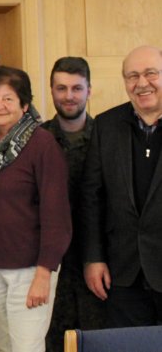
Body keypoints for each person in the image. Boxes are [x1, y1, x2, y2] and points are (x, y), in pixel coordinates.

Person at [0, 66, 71, 352]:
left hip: (30, 270)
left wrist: (44, 273)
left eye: (8, 99)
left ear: (24, 104)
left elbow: (57, 215)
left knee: (27, 347)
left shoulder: (42, 144)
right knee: (3, 347)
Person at [81, 45, 162, 328]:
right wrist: (93, 258)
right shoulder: (106, 125)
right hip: (123, 272)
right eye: (132, 76)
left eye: (151, 73)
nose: (142, 83)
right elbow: (92, 197)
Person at [42, 57, 105, 351]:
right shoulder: (37, 139)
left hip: (99, 261)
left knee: (98, 340)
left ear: (89, 90)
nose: (69, 96)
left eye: (77, 88)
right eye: (61, 88)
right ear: (51, 90)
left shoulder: (107, 137)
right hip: (52, 264)